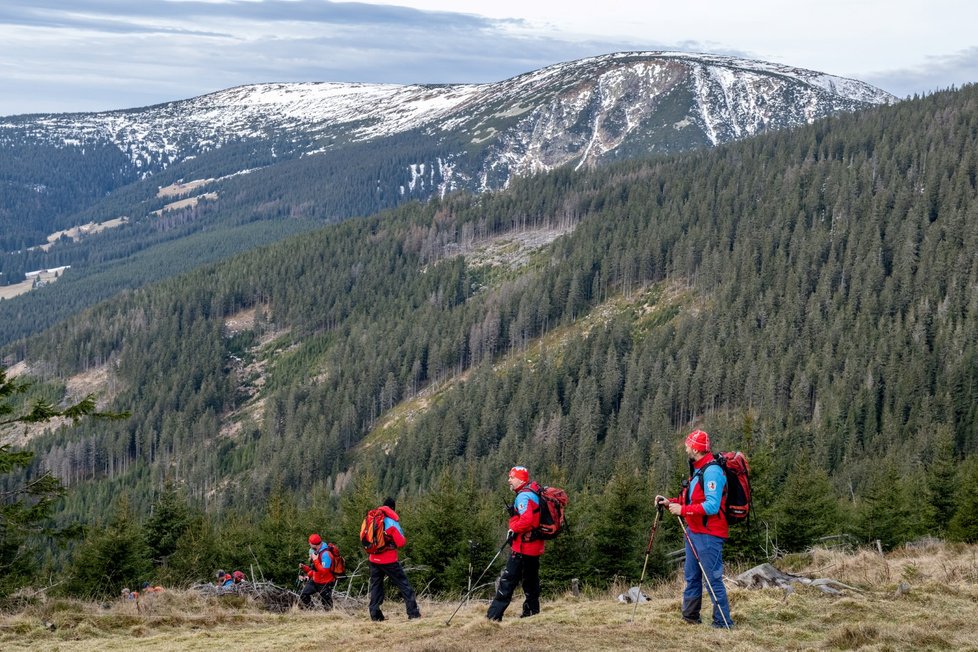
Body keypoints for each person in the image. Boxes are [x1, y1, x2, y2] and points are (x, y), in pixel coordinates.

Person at [655, 429, 734, 628]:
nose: (686, 447)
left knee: (712, 580)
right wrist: (670, 502)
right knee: (692, 577)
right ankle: (690, 618)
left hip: (709, 535)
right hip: (694, 531)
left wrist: (682, 510)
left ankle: (723, 624)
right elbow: (692, 499)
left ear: (696, 448)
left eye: (689, 444)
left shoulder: (712, 471)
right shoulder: (699, 468)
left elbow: (712, 506)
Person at [486, 465, 544, 621]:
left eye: (511, 477)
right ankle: (531, 613)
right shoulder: (533, 492)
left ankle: (493, 617)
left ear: (520, 479)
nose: (509, 480)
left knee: (507, 581)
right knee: (531, 581)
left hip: (522, 548)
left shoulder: (523, 497)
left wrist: (513, 528)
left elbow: (526, 520)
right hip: (534, 547)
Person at [367, 497, 421, 621]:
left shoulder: (373, 519)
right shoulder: (391, 522)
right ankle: (413, 613)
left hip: (373, 559)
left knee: (376, 586)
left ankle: (375, 616)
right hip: (389, 560)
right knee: (404, 585)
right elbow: (401, 542)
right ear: (393, 508)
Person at [299, 533, 336, 610]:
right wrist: (304, 568)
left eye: (310, 542)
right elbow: (314, 569)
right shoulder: (314, 551)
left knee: (327, 604)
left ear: (314, 544)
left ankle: (330, 617)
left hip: (325, 582)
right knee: (304, 595)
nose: (309, 544)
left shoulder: (326, 554)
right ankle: (313, 612)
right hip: (315, 581)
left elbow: (324, 571)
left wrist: (315, 560)